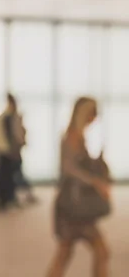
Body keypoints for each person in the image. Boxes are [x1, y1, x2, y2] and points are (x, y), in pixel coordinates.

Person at [47, 97, 110, 277]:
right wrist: (95, 182)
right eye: (92, 113)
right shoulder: (73, 136)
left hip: (71, 207)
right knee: (100, 251)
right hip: (74, 208)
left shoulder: (76, 135)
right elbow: (69, 170)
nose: (95, 117)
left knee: (66, 253)